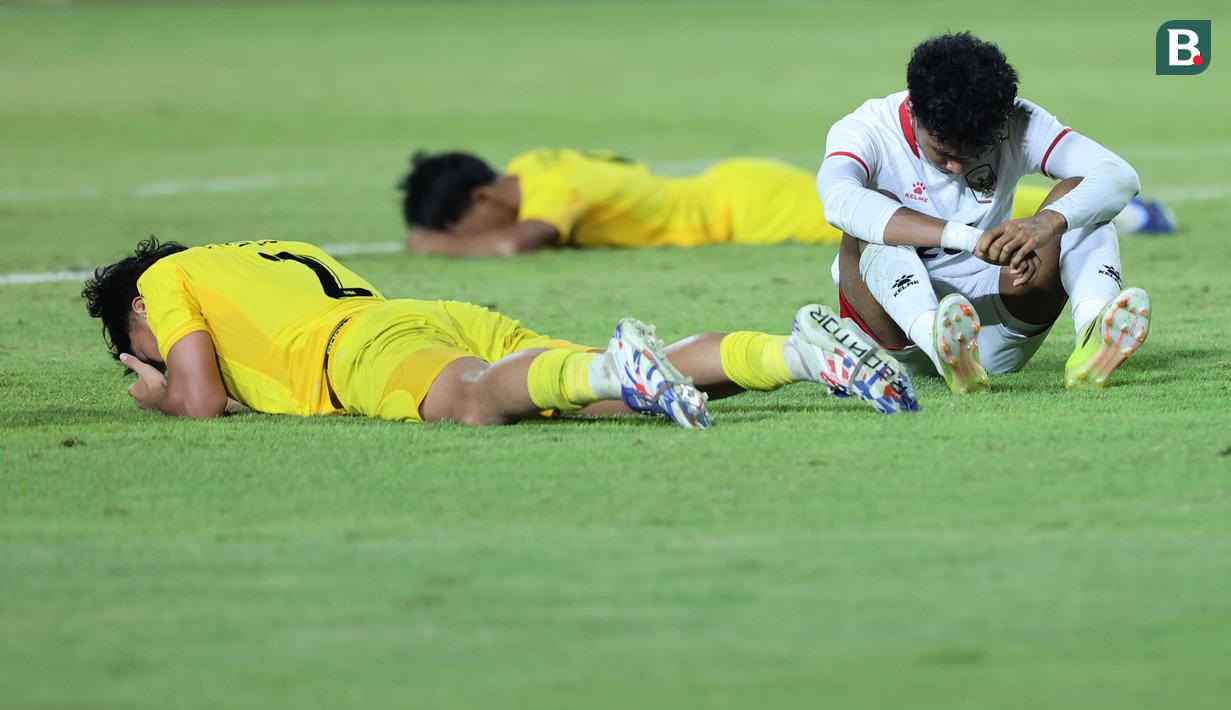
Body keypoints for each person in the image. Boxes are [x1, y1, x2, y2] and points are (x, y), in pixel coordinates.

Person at [81, 238, 919, 428]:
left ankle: (615, 368)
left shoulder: (167, 279)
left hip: (354, 352)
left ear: (140, 313)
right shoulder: (276, 250)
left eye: (136, 337)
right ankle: (804, 356)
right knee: (592, 395)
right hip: (430, 315)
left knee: (474, 403)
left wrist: (157, 393)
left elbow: (198, 401)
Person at [816, 31, 1151, 394]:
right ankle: (938, 342)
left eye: (973, 152)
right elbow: (838, 199)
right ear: (913, 110)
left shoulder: (1016, 121)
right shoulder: (867, 129)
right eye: (943, 151)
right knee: (867, 215)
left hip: (996, 328)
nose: (958, 168)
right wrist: (968, 238)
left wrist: (1046, 223)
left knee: (1079, 197)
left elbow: (1119, 175)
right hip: (897, 337)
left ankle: (1092, 331)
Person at [397, 148, 1174, 258]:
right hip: (733, 188)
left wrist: (436, 249)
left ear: (479, 196)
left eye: (457, 221)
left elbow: (514, 244)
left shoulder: (551, 190)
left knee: (917, 225)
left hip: (748, 208)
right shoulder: (536, 160)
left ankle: (1125, 211)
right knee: (920, 215)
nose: (461, 232)